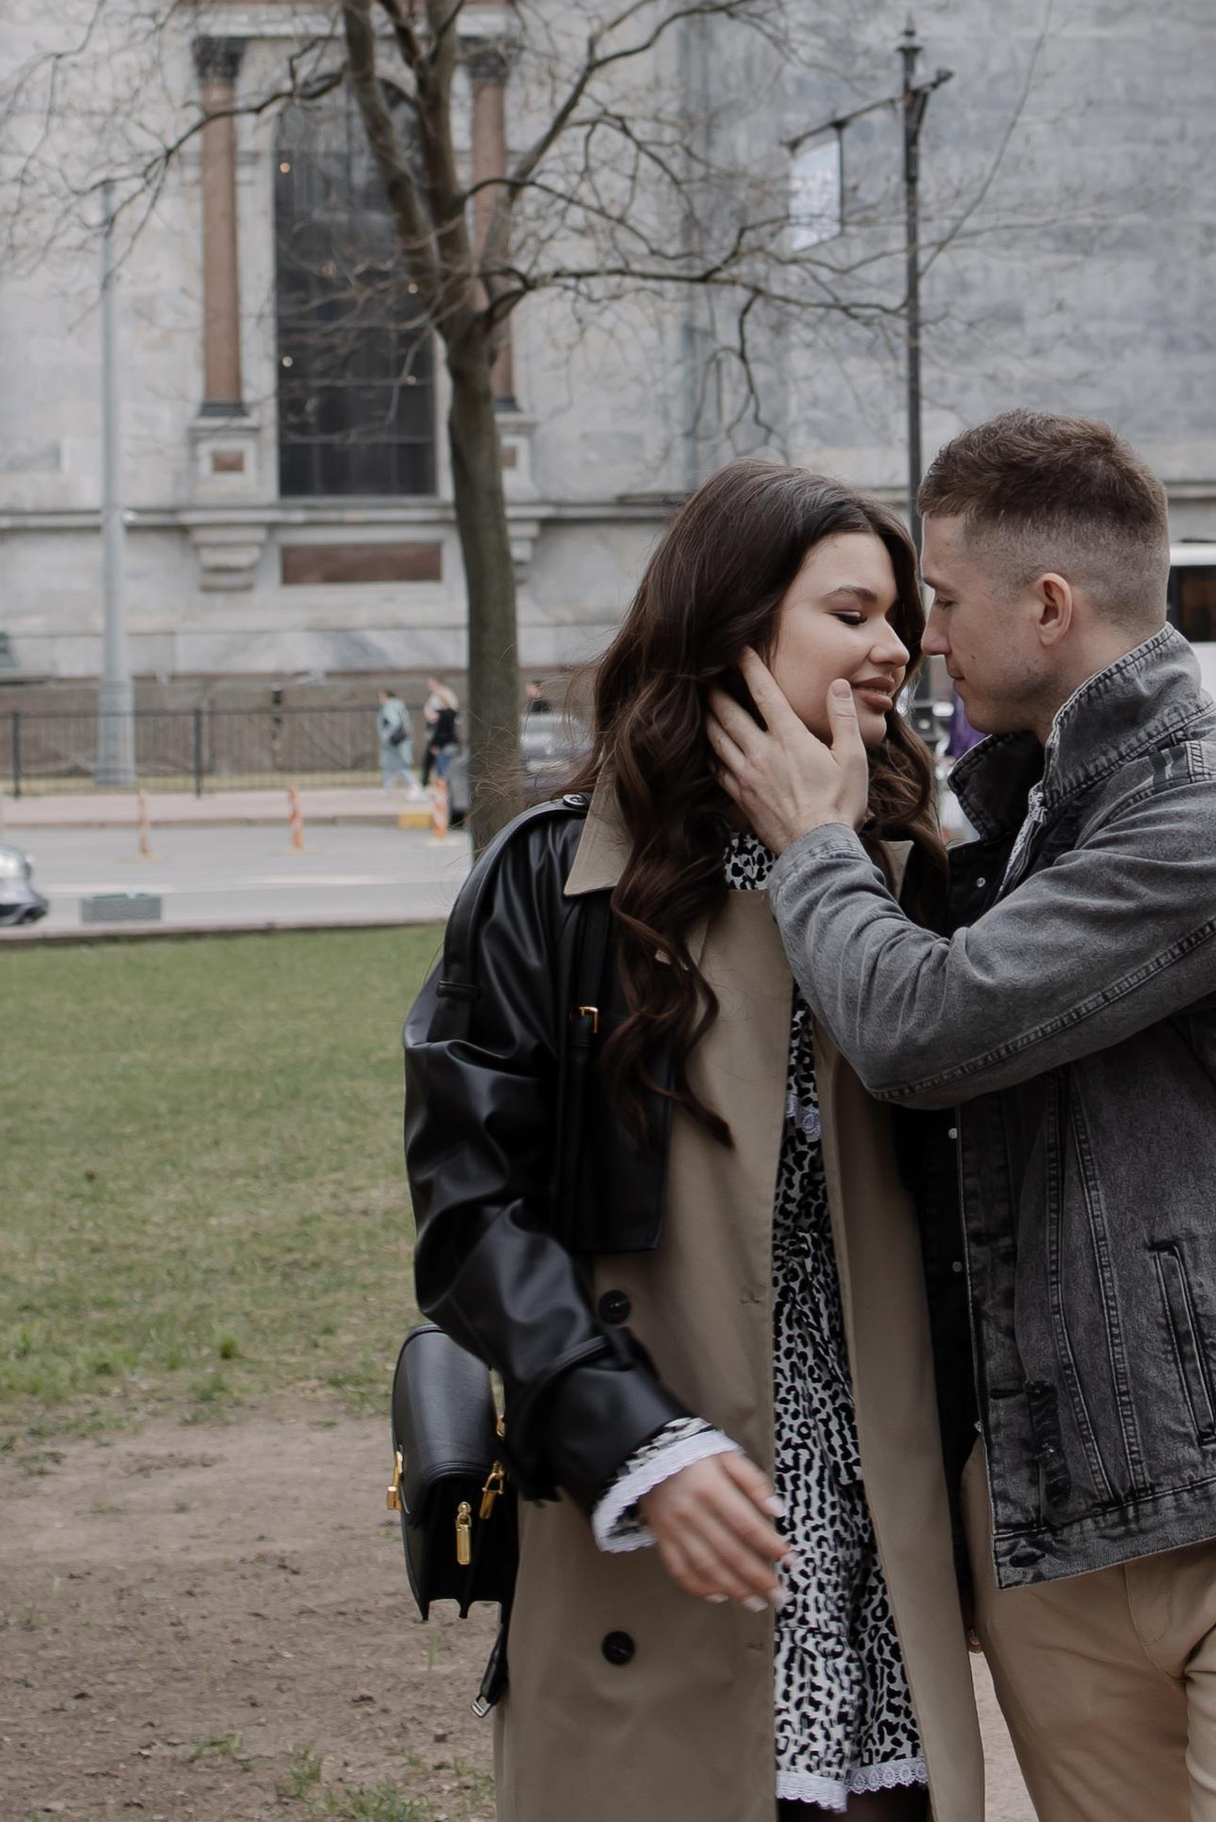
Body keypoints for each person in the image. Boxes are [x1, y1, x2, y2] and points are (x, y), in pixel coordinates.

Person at [712, 411, 1216, 1822]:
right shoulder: (1014, 817)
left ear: (1047, 606)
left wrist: (813, 845)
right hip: (1048, 1535)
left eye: (940, 599)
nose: (921, 638)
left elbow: (927, 1030)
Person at [406, 464, 984, 1822]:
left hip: (877, 1541)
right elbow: (469, 1209)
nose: (895, 645)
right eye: (851, 610)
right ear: (734, 625)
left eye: (900, 613)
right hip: (665, 1501)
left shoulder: (918, 884)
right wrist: (637, 1439)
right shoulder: (555, 886)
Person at [421, 680, 461, 798]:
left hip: (443, 745)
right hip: (452, 744)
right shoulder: (453, 713)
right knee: (448, 771)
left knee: (442, 773)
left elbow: (440, 733)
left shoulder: (443, 715)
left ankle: (443, 796)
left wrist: (434, 745)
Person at [377, 688, 416, 793]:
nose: (380, 700)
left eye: (381, 697)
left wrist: (386, 734)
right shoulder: (400, 705)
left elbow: (394, 722)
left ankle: (413, 786)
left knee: (398, 764)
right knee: (390, 764)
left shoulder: (389, 706)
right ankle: (387, 788)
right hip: (401, 739)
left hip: (394, 741)